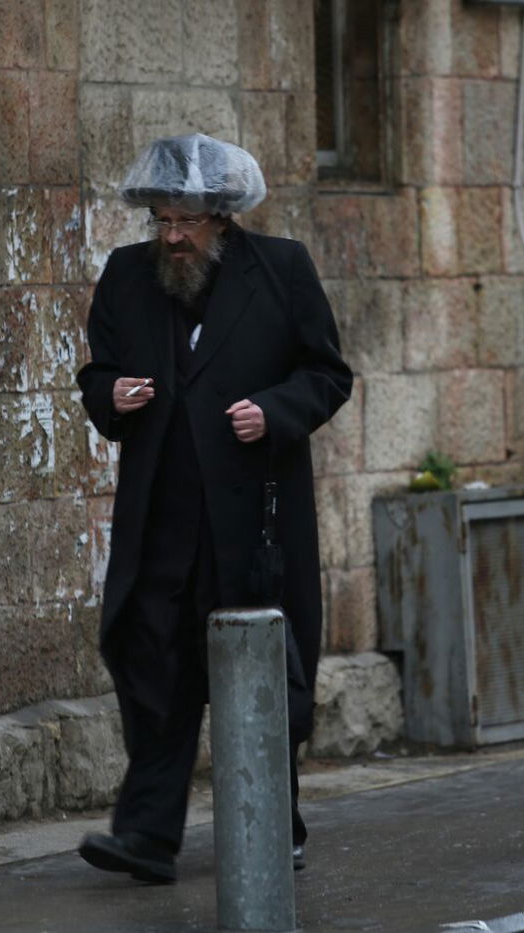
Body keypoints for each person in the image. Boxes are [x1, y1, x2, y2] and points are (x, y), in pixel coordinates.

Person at [75, 133, 353, 884]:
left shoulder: (282, 269)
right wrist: (112, 394)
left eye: (187, 222)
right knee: (154, 671)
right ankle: (147, 835)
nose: (172, 237)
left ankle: (273, 823)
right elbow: (97, 373)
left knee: (261, 671)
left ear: (223, 217)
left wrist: (274, 411)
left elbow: (328, 374)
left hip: (253, 521)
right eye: (162, 220)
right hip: (161, 521)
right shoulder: (127, 274)